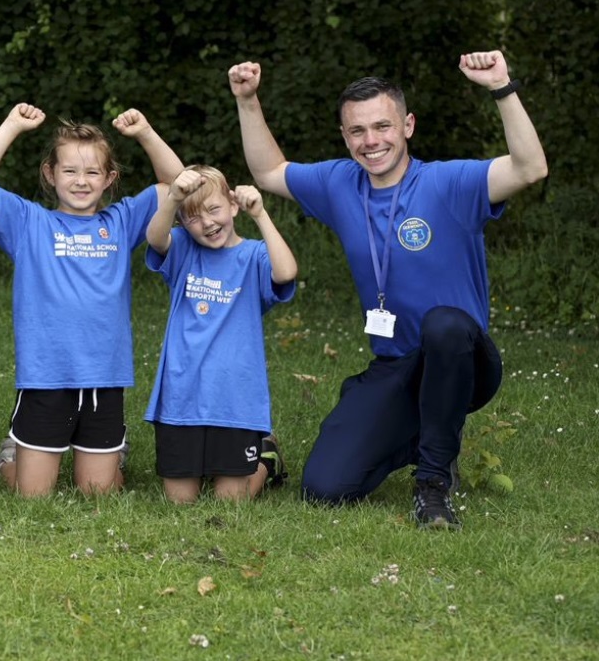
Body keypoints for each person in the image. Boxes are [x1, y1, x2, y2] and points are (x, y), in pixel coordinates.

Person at [228, 53, 547, 529]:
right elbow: (270, 171)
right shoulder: (340, 183)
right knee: (325, 488)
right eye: (357, 131)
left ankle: (434, 483)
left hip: (464, 361)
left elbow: (529, 168)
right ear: (345, 136)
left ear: (408, 125)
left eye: (383, 126)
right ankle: (426, 434)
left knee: (444, 324)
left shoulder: (449, 182)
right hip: (398, 366)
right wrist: (248, 100)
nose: (371, 141)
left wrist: (502, 87)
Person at [0, 103, 182, 497]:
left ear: (109, 178)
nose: (82, 181)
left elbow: (177, 184)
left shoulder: (121, 221)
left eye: (93, 172)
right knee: (33, 495)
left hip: (104, 377)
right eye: (70, 171)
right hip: (47, 377)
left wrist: (146, 133)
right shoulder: (29, 223)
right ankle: (12, 455)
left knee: (98, 493)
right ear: (50, 173)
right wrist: (11, 125)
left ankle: (113, 454)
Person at [143, 165, 297, 504]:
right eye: (194, 217)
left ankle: (266, 458)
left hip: (235, 399)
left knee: (230, 500)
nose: (208, 223)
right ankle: (210, 462)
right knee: (180, 500)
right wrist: (172, 199)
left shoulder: (254, 254)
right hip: (181, 397)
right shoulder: (183, 248)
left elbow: (286, 272)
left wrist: (261, 214)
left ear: (232, 205)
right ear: (183, 223)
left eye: (214, 209)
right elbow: (156, 237)